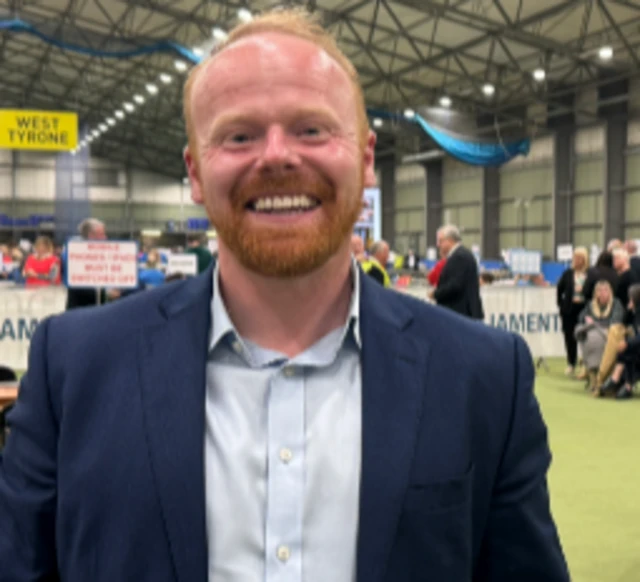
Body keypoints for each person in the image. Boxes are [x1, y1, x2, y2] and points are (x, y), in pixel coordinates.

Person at [0, 9, 569, 582]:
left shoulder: (485, 377)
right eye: (239, 135)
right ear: (195, 173)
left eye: (312, 129)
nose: (276, 156)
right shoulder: (72, 368)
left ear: (366, 159)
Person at [574, 280, 624, 393]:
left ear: (610, 292)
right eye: (600, 291)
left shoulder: (616, 304)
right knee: (585, 334)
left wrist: (594, 323)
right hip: (593, 332)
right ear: (596, 293)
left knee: (594, 338)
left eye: (605, 290)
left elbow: (615, 322)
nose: (602, 293)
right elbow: (581, 318)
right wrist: (592, 324)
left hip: (610, 335)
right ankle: (592, 374)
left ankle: (598, 376)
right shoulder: (590, 305)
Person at [431, 224, 484, 320]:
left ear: (450, 240)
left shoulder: (459, 257)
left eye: (441, 241)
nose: (438, 245)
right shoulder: (460, 255)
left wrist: (435, 294)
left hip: (461, 314)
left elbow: (455, 285)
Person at [556, 247, 588, 376]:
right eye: (575, 257)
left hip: (584, 309)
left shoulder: (589, 274)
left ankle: (585, 364)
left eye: (580, 258)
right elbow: (560, 289)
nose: (577, 260)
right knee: (569, 337)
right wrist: (561, 305)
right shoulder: (568, 273)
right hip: (569, 309)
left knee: (585, 336)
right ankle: (571, 363)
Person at [65, 218, 108, 309]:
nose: (105, 237)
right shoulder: (76, 253)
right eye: (102, 234)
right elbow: (77, 283)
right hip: (80, 307)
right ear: (91, 235)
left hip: (96, 304)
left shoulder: (102, 253)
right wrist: (107, 291)